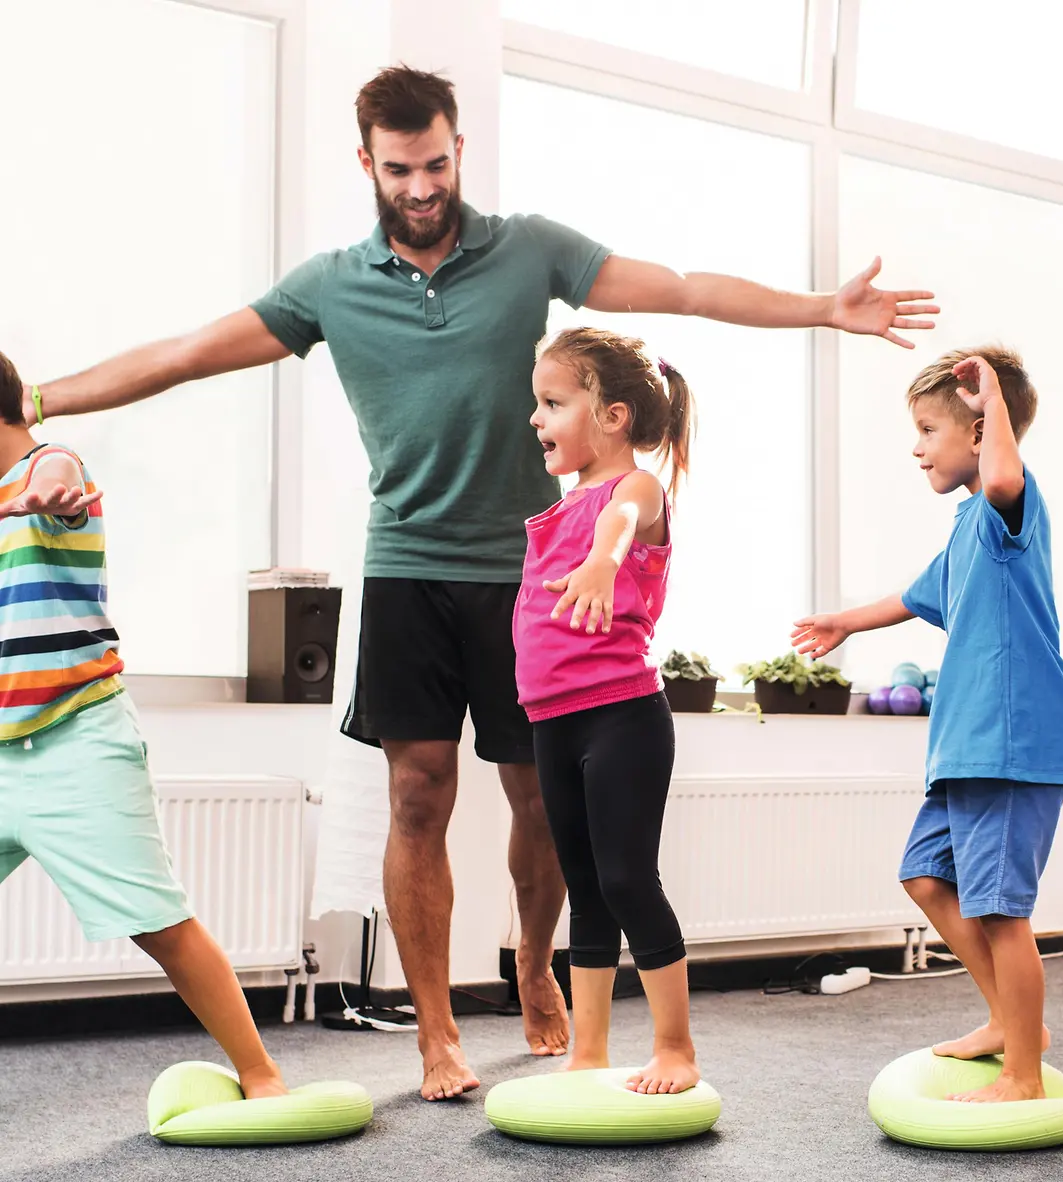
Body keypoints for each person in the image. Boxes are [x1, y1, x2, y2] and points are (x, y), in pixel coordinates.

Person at [20, 65, 938, 1102]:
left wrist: (823, 308)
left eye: (440, 163)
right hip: (409, 569)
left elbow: (680, 288)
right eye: (402, 168)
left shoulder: (529, 250)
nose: (423, 186)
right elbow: (186, 354)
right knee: (418, 793)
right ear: (367, 163)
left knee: (542, 803)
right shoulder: (330, 285)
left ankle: (537, 967)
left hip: (532, 575)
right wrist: (33, 403)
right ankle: (437, 1032)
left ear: (461, 152)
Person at [792, 348, 1063, 1103]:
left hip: (1012, 747)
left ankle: (1023, 1070)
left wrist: (990, 405)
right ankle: (1005, 1019)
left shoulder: (1006, 508)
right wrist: (844, 623)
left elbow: (1001, 476)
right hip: (967, 748)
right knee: (925, 876)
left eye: (929, 428)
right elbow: (915, 597)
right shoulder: (966, 529)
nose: (916, 444)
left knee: (1000, 911)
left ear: (984, 430)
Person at [0, 349, 287, 1100]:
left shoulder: (50, 463)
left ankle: (259, 1073)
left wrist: (50, 493)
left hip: (76, 741)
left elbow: (56, 482)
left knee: (158, 923)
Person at [515, 328, 697, 1093]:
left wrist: (601, 557)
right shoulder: (569, 503)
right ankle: (588, 1051)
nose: (537, 419)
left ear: (614, 417)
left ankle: (676, 1048)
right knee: (585, 889)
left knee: (628, 879)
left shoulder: (635, 491)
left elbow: (625, 520)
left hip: (622, 716)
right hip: (553, 720)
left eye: (553, 403)